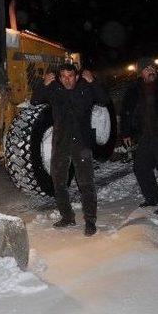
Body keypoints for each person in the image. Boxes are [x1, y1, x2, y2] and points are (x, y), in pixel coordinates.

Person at [31, 63, 110, 236]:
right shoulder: (54, 90)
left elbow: (104, 100)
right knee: (58, 183)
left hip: (82, 145)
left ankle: (90, 221)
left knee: (86, 184)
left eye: (70, 76)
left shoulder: (86, 89)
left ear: (76, 76)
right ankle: (67, 217)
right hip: (61, 144)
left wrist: (93, 81)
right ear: (59, 78)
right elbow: (34, 100)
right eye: (64, 77)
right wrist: (43, 84)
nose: (67, 80)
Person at [121, 57, 158, 215]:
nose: (151, 70)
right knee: (140, 167)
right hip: (145, 136)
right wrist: (126, 132)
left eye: (152, 68)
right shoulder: (134, 90)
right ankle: (153, 198)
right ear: (140, 73)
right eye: (147, 69)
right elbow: (126, 111)